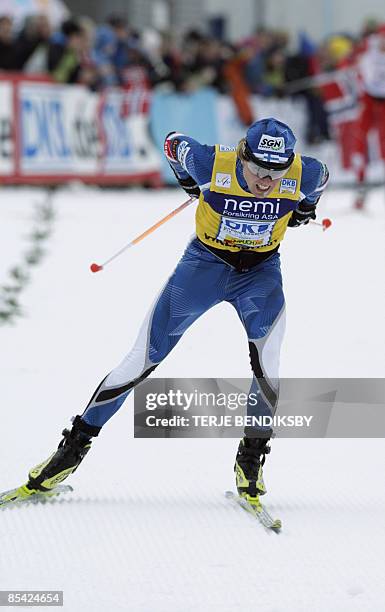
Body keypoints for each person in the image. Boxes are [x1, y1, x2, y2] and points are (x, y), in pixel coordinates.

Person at [7, 118, 329, 506]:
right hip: (204, 268)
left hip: (260, 276)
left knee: (269, 366)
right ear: (243, 155)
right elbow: (173, 142)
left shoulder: (304, 172)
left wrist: (304, 209)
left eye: (274, 173)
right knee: (141, 359)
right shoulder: (213, 164)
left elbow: (320, 177)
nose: (264, 180)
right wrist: (189, 183)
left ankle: (251, 464)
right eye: (258, 169)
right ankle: (67, 456)